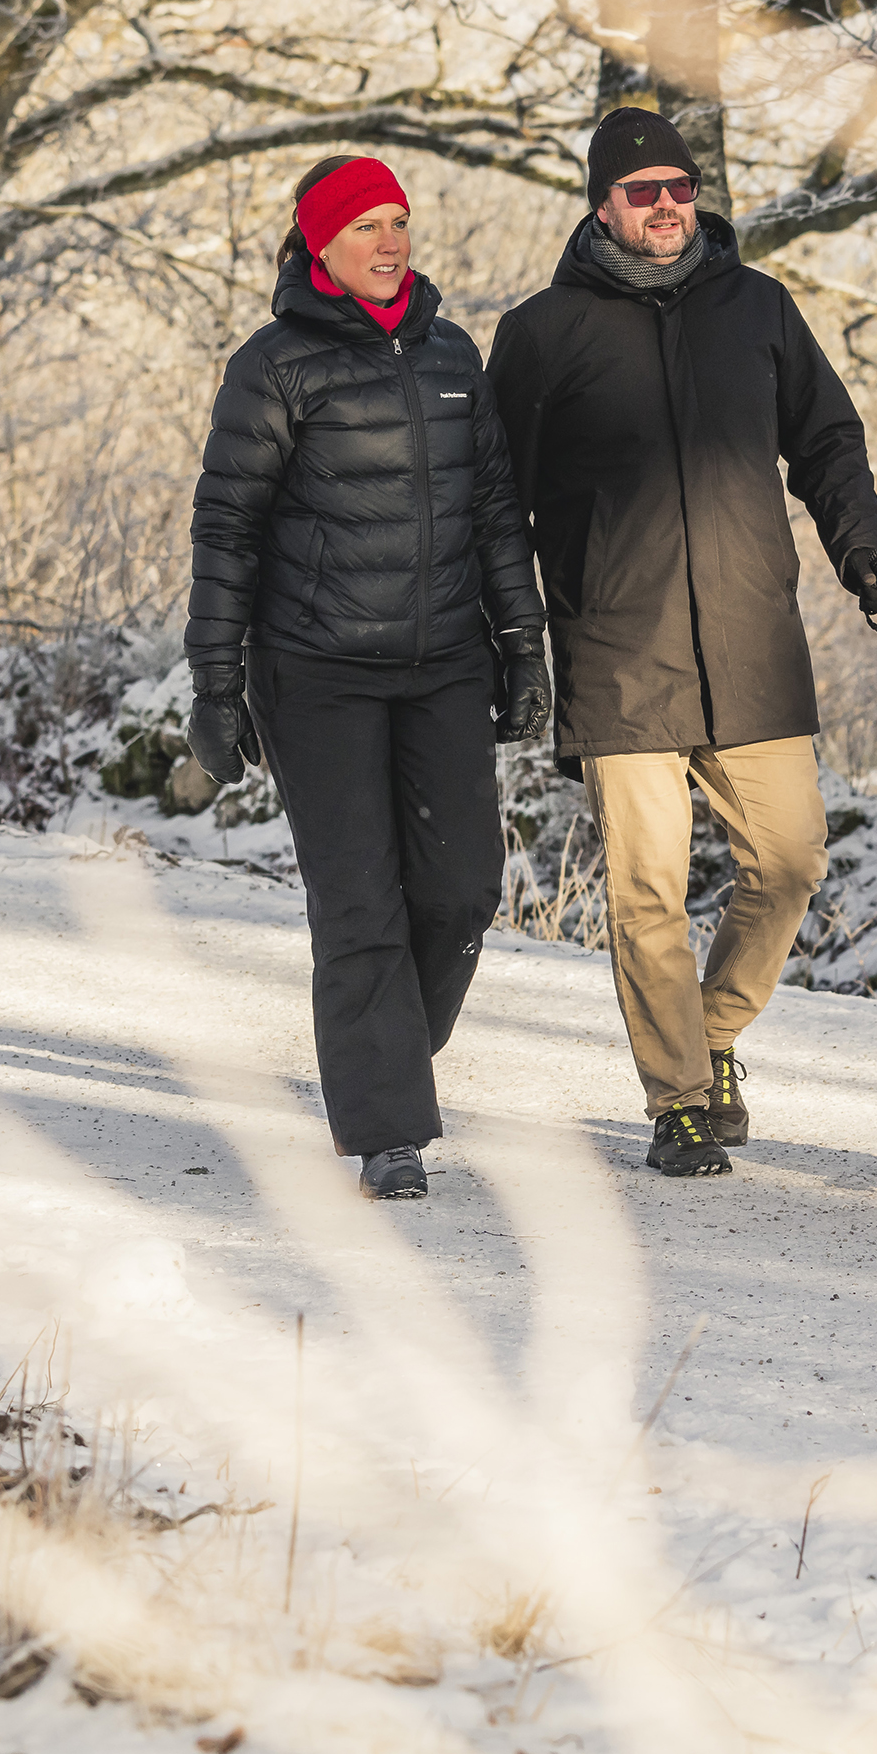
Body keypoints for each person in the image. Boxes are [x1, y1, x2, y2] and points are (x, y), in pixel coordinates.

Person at [487, 108, 877, 1180]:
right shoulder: (541, 334)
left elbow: (825, 436)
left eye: (678, 186)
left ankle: (712, 1030)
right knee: (646, 890)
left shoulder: (756, 308)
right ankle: (676, 1096)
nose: (665, 205)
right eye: (641, 191)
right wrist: (513, 640)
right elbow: (496, 502)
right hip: (619, 654)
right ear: (602, 206)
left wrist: (859, 544)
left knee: (791, 857)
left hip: (749, 642)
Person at [183, 156, 550, 1200]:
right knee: (360, 905)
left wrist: (522, 646)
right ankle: (388, 1129)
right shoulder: (275, 365)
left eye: (398, 220)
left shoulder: (449, 353)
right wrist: (216, 685)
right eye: (367, 226)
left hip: (442, 663)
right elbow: (226, 530)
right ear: (319, 243)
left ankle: (384, 1060)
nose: (391, 240)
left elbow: (491, 515)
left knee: (462, 889)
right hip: (316, 673)